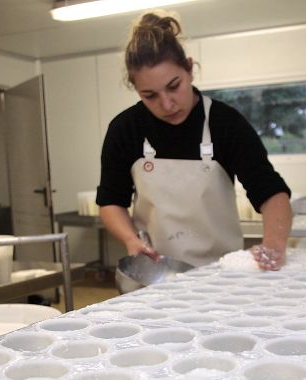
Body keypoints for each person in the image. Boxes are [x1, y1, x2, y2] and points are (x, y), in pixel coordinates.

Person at [96, 11, 292, 270]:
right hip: (156, 273)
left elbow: (271, 193)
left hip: (219, 274)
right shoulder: (125, 129)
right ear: (135, 88)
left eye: (174, 86)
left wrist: (273, 246)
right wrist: (131, 240)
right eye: (150, 96)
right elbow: (111, 201)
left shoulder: (225, 123)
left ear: (189, 69)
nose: (167, 104)